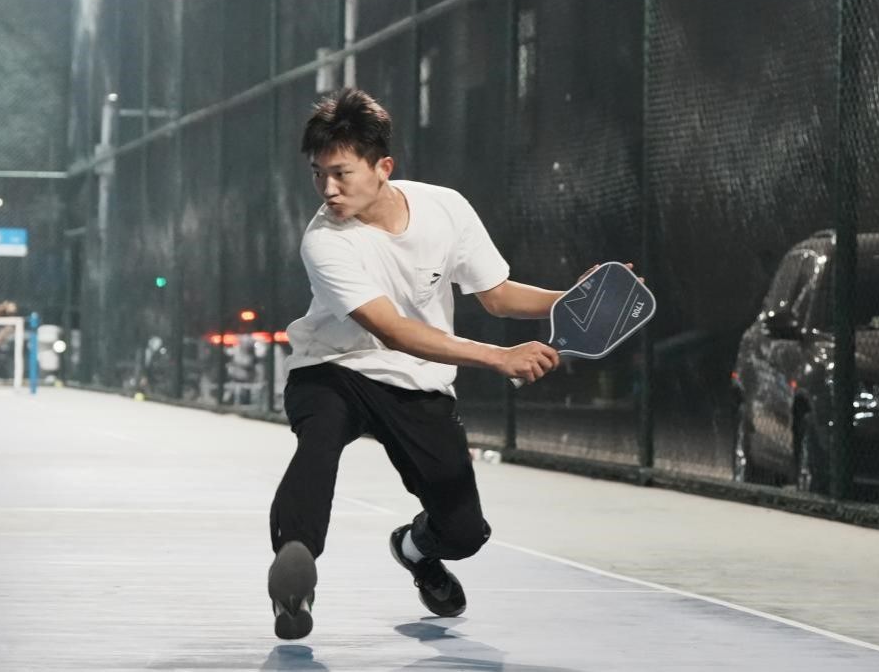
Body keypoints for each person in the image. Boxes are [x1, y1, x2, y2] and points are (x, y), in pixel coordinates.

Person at [266, 88, 635, 640]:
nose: (328, 188)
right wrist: (499, 357)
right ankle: (294, 567)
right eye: (318, 174)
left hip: (419, 385)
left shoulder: (445, 208)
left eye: (340, 173)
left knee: (464, 533)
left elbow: (497, 294)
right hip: (333, 368)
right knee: (318, 442)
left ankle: (416, 550)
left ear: (383, 167)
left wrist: (571, 300)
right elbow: (394, 331)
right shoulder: (325, 242)